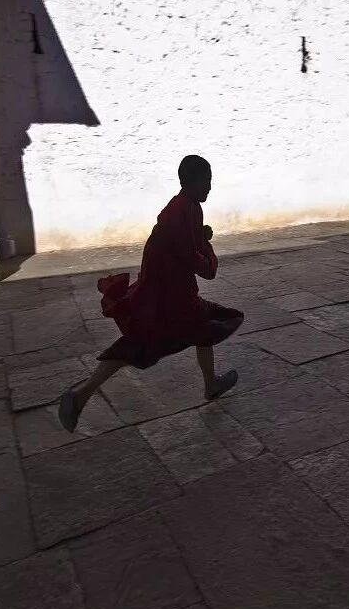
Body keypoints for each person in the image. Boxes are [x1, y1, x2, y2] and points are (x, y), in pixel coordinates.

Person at [58, 154, 244, 433]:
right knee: (140, 346)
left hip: (171, 296)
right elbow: (200, 264)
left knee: (203, 328)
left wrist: (200, 237)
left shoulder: (186, 207)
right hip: (168, 301)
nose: (209, 187)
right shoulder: (181, 211)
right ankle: (80, 395)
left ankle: (211, 384)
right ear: (192, 182)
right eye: (206, 181)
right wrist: (208, 249)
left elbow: (182, 247)